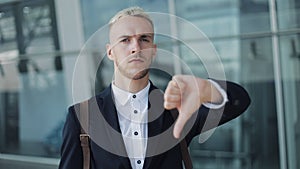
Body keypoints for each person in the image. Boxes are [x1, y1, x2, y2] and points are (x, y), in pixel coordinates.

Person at [59, 6, 250, 169]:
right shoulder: (81, 116)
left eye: (144, 39)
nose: (136, 47)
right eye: (125, 40)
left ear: (154, 50)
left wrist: (208, 89)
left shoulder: (177, 108)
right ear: (110, 52)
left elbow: (239, 101)